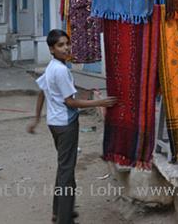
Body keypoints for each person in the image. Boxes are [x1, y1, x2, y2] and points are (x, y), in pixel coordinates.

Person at [27, 29, 117, 224]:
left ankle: (58, 211)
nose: (66, 47)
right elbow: (71, 102)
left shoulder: (51, 67)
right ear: (51, 49)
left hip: (54, 123)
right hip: (66, 125)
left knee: (63, 168)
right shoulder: (61, 71)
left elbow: (42, 92)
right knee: (67, 171)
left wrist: (36, 119)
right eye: (60, 45)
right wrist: (100, 103)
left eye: (67, 43)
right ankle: (64, 218)